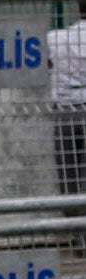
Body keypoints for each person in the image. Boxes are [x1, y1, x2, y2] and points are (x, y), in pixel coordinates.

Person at [51, 14, 86, 201]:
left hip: (66, 108)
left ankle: (70, 219)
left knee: (67, 169)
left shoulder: (56, 38)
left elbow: (44, 62)